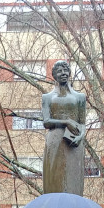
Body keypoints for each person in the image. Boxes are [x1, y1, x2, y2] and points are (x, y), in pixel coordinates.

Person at [42, 60, 87, 195]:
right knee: (54, 182)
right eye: (59, 71)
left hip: (74, 143)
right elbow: (46, 122)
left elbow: (82, 123)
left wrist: (80, 136)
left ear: (69, 73)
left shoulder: (80, 97)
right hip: (54, 141)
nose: (63, 73)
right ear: (54, 75)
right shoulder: (47, 97)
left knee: (73, 182)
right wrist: (66, 121)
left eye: (65, 70)